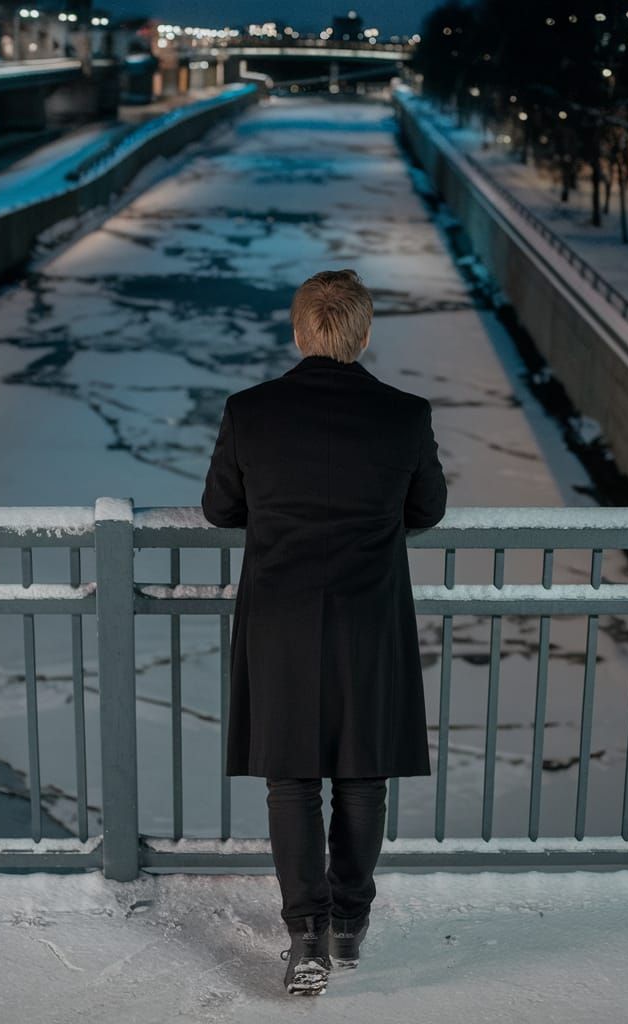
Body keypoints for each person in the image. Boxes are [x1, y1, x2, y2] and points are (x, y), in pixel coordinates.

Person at [200, 268, 447, 996]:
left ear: (300, 331)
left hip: (280, 614)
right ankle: (350, 924)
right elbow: (426, 510)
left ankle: (305, 933)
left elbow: (219, 510)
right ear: (363, 333)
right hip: (369, 614)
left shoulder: (251, 411)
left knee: (293, 780)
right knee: (363, 776)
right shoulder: (406, 414)